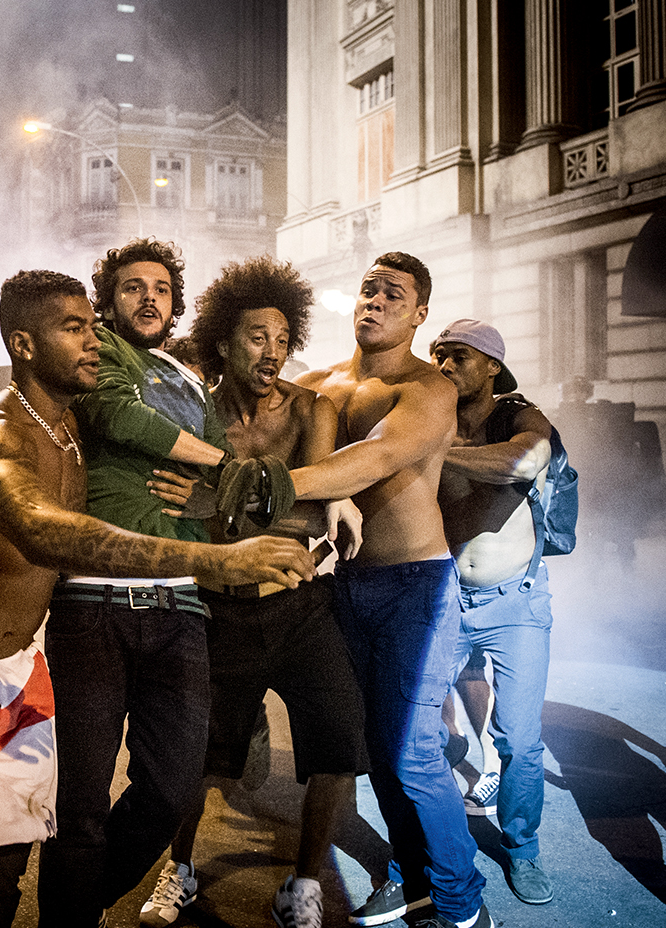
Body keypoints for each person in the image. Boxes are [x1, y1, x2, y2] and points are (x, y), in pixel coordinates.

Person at [0, 269, 315, 928]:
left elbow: (166, 476)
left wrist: (223, 502)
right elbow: (44, 531)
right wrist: (218, 560)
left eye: (93, 328)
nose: (95, 342)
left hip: (11, 689)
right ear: (24, 344)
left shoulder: (79, 441)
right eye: (74, 329)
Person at [37, 239, 266, 926]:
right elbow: (117, 417)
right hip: (93, 603)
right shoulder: (99, 354)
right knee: (79, 801)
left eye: (162, 289)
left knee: (169, 793)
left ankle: (76, 904)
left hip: (180, 608)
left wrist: (219, 490)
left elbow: (224, 492)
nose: (148, 298)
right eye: (132, 287)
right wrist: (225, 466)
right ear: (107, 300)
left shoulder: (188, 378)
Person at [140, 256, 369, 928]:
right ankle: (177, 868)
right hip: (218, 610)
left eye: (280, 338)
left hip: (301, 607)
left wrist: (216, 496)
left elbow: (311, 504)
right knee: (197, 755)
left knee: (338, 742)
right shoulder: (195, 412)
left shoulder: (313, 409)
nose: (272, 353)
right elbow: (172, 508)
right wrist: (225, 509)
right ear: (222, 343)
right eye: (255, 338)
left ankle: (303, 884)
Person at [287, 253, 490, 928]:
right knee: (377, 750)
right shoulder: (319, 385)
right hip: (349, 587)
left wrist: (275, 486)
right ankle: (411, 874)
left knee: (411, 751)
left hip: (417, 589)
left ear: (419, 314)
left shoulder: (428, 389)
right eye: (369, 289)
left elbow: (371, 459)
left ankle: (462, 897)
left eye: (393, 294)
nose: (375, 300)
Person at [431, 319, 556, 906]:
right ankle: (458, 765)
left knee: (521, 740)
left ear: (492, 368)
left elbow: (525, 463)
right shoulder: (429, 414)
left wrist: (442, 454)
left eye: (459, 356)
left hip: (516, 601)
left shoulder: (518, 414)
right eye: (439, 355)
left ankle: (522, 849)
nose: (445, 365)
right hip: (446, 597)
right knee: (412, 724)